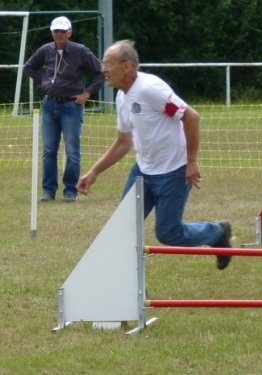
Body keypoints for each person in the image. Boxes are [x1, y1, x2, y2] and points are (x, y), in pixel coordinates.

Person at [76, 40, 233, 270]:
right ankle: (132, 288)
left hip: (173, 171)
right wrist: (94, 171)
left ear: (127, 66)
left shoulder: (150, 90)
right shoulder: (122, 97)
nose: (103, 70)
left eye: (108, 64)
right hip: (142, 172)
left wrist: (191, 161)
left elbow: (191, 117)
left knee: (169, 234)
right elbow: (123, 142)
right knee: (123, 228)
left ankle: (217, 233)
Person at [24, 16, 105, 202]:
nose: (59, 34)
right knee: (49, 150)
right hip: (50, 104)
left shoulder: (80, 51)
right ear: (52, 32)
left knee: (72, 151)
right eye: (56, 31)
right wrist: (42, 82)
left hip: (71, 106)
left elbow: (101, 72)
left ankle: (70, 191)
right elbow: (29, 67)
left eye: (62, 31)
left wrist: (87, 93)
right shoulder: (45, 50)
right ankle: (48, 190)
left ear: (70, 32)